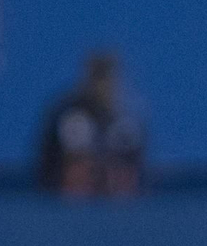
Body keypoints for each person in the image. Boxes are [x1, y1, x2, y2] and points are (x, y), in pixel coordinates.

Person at [37, 52, 146, 198]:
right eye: (99, 77)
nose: (103, 86)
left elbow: (135, 173)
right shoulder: (70, 115)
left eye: (107, 78)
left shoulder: (126, 119)